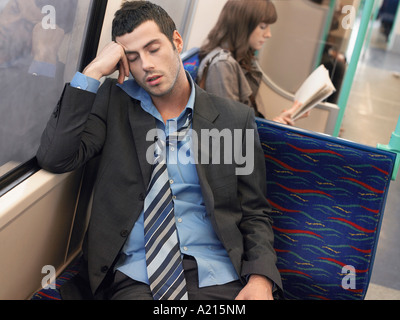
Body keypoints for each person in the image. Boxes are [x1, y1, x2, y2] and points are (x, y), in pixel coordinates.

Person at [36, 1, 282, 300]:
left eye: (153, 49)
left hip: (216, 275)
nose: (146, 65)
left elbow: (254, 213)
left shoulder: (233, 119)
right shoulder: (113, 103)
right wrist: (93, 71)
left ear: (177, 42)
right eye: (133, 57)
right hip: (137, 276)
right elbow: (55, 156)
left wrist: (260, 280)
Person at [198, 0, 304, 126]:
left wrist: (276, 123)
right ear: (242, 25)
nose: (268, 34)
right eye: (263, 27)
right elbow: (230, 131)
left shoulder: (237, 60)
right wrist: (270, 128)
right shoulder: (222, 65)